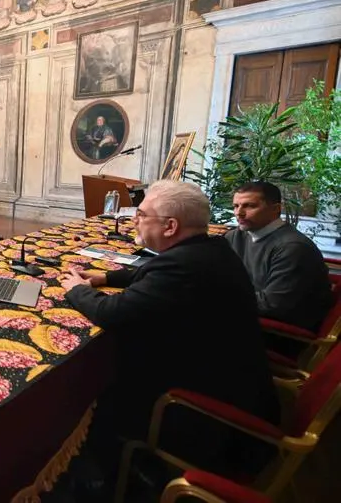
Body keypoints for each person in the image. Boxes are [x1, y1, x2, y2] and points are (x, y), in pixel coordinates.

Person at [60, 181, 279, 493]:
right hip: (229, 377)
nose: (135, 221)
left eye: (141, 215)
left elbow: (111, 312)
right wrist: (105, 276)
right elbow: (151, 270)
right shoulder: (207, 248)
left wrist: (76, 290)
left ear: (170, 226)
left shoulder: (184, 266)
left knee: (94, 390)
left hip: (206, 414)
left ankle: (100, 480)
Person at [225, 182, 333, 333]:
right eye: (236, 206)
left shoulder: (293, 247)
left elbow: (272, 305)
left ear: (275, 209)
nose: (239, 213)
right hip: (246, 318)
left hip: (281, 334)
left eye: (249, 206)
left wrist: (218, 297)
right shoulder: (235, 236)